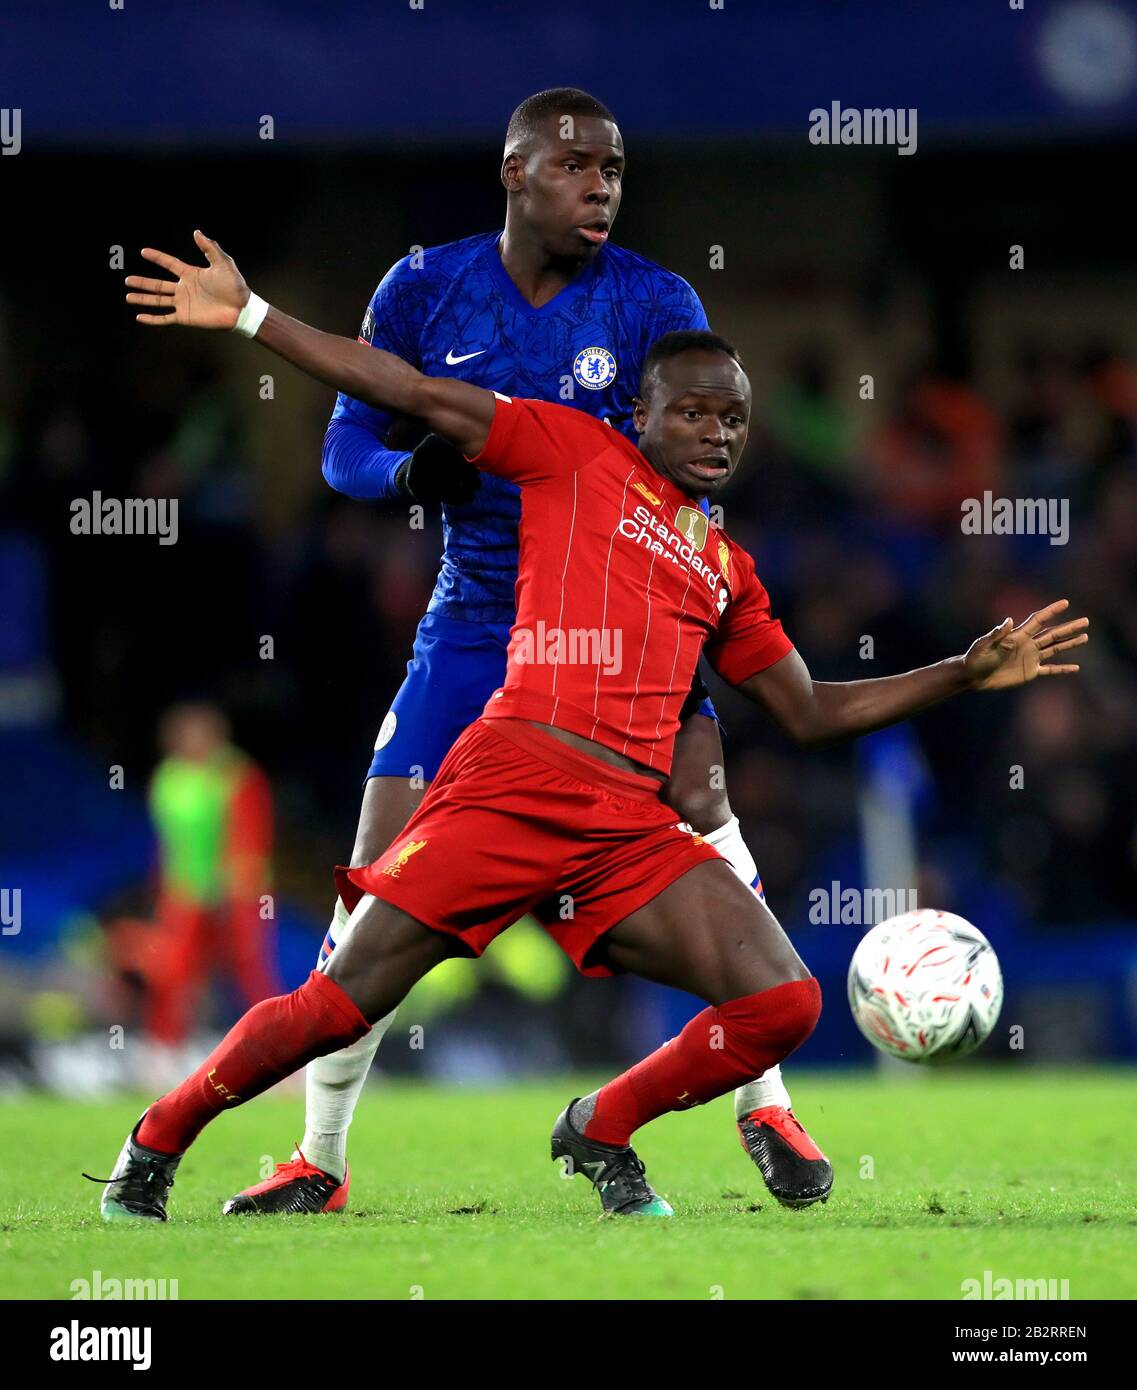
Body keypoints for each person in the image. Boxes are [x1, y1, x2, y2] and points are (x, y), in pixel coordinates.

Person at [96, 237, 1089, 1221]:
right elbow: (407, 388)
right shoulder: (569, 451)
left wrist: (967, 670)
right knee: (337, 1004)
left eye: (732, 417)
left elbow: (810, 708)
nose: (715, 432)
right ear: (641, 412)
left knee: (784, 1002)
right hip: (511, 783)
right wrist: (254, 315)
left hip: (622, 826)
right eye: (692, 411)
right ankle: (158, 1138)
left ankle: (602, 1124)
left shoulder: (726, 567)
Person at [233, 87, 827, 1214]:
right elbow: (349, 445)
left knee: (702, 796)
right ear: (515, 172)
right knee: (375, 870)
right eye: (576, 165)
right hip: (478, 615)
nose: (600, 184)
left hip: (621, 616)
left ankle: (766, 1100)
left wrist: (696, 601)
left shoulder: (656, 298)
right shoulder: (424, 286)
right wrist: (411, 476)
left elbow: (695, 461)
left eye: (613, 168)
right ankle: (319, 1156)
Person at [147, 702, 278, 1046]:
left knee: (250, 972)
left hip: (238, 891)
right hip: (187, 891)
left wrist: (233, 890)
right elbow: (167, 842)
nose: (196, 741)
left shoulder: (237, 773)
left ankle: (278, 1051)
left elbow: (250, 836)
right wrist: (164, 890)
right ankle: (164, 1052)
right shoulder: (168, 778)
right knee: (174, 972)